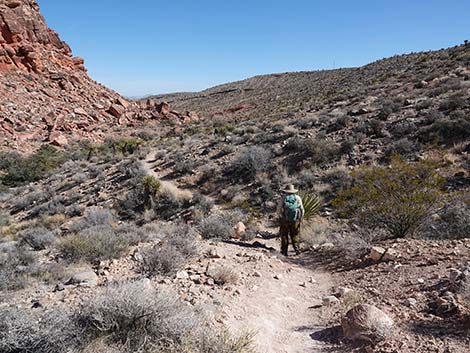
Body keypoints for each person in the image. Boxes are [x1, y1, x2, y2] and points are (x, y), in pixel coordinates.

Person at [278, 184, 304, 256]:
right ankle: (297, 249)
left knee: (284, 234)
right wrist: (301, 217)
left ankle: (284, 251)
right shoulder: (298, 198)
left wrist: (280, 216)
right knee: (295, 234)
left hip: (285, 219)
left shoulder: (283, 198)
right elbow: (302, 209)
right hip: (295, 219)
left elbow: (278, 209)